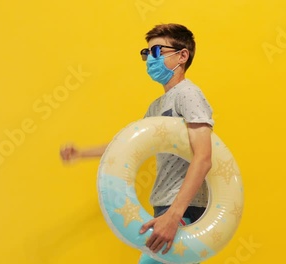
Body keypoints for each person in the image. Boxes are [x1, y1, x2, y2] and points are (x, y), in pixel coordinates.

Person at [60, 23, 214, 264]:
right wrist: (81, 153)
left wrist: (174, 215)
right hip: (164, 205)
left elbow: (204, 158)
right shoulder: (157, 105)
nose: (149, 60)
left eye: (156, 52)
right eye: (146, 53)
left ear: (182, 56)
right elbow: (128, 145)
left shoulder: (188, 94)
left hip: (184, 207)